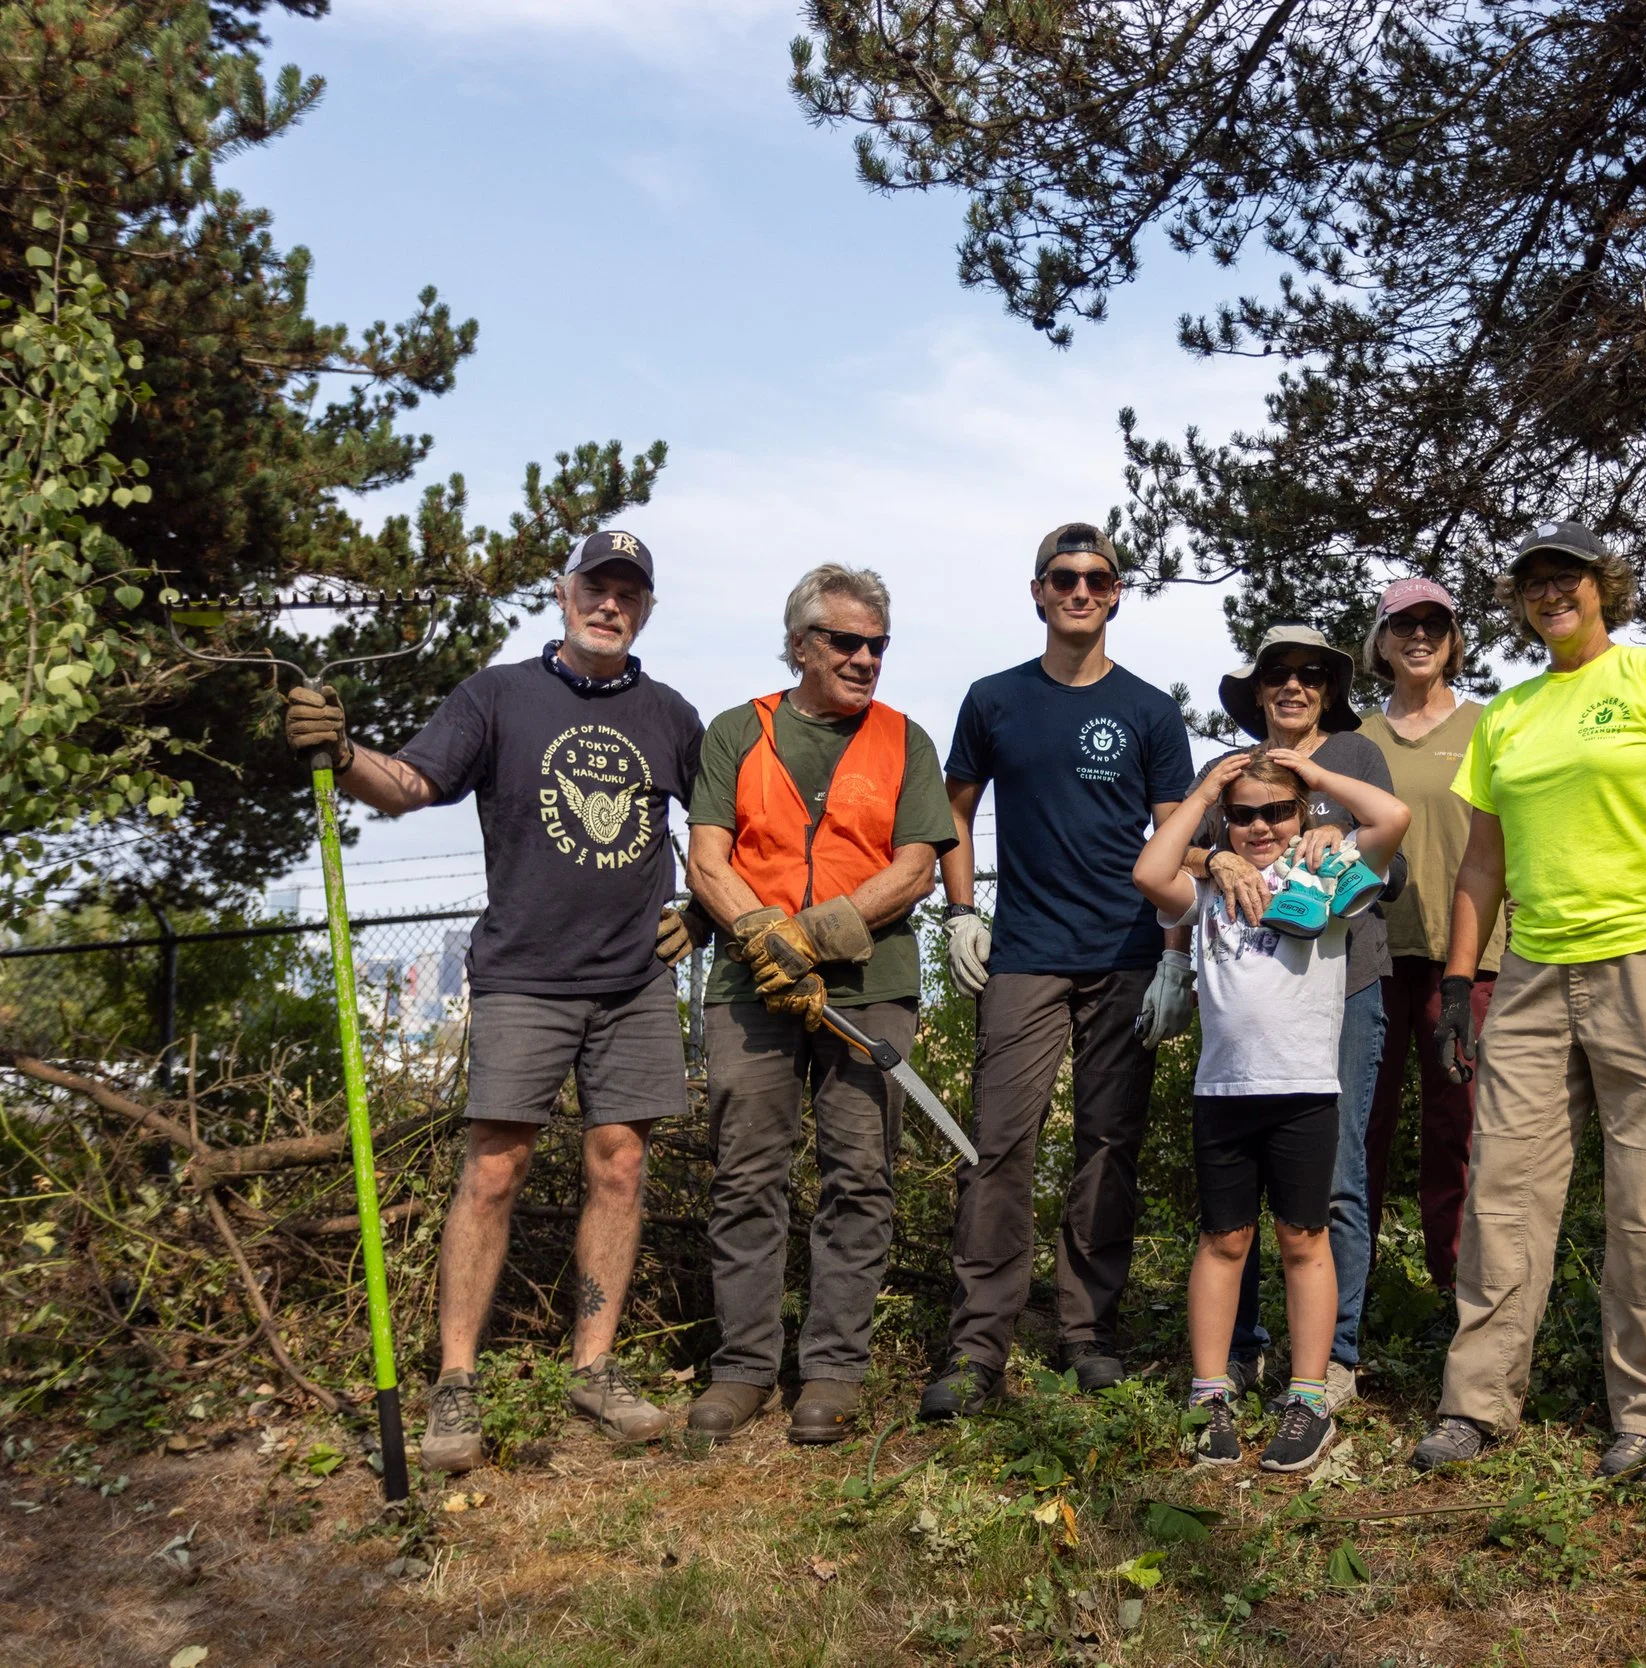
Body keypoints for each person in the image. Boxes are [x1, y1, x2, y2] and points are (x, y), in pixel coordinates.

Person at [278, 529, 702, 1473]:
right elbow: (411, 784)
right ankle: (457, 1384)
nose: (610, 604)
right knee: (496, 1170)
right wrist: (343, 751)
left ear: (646, 610)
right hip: (524, 976)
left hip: (635, 982)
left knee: (621, 1168)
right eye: (597, 586)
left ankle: (593, 1370)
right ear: (565, 593)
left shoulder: (673, 716)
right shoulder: (498, 696)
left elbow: (722, 830)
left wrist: (705, 919)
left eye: (629, 593)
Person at [1409, 519, 1646, 1481]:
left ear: (1602, 586)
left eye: (1566, 577)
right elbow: (1481, 862)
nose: (1551, 594)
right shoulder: (1508, 715)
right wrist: (1456, 980)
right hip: (1531, 973)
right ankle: (1476, 1402)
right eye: (1533, 582)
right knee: (1504, 1190)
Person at [920, 523, 1197, 1417]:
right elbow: (953, 813)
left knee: (1109, 1145)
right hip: (1026, 954)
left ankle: (1087, 1333)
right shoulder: (994, 700)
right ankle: (977, 1347)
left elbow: (1173, 839)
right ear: (1037, 592)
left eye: (1097, 579)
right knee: (998, 1144)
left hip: (1123, 953)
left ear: (1117, 595)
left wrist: (1172, 955)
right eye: (1063, 579)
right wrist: (963, 912)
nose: (1081, 592)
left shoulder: (1151, 711)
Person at [679, 566, 954, 1442]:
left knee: (860, 1176)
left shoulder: (906, 741)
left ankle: (833, 1368)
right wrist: (767, 939)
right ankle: (744, 1370)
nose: (866, 658)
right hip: (749, 992)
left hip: (870, 989)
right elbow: (707, 860)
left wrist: (814, 938)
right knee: (746, 1176)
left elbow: (913, 870)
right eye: (845, 641)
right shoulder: (737, 731)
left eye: (877, 644)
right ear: (801, 644)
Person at [1135, 748, 1410, 1472]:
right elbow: (1148, 872)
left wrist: (1318, 786)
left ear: (1300, 815)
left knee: (1302, 1240)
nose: (1260, 826)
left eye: (1277, 812)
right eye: (1245, 814)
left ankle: (1308, 1397)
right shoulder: (1212, 883)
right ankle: (1209, 1392)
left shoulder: (1331, 872)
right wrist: (1203, 799)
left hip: (1305, 1092)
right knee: (1224, 1241)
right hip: (1223, 1092)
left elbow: (1394, 815)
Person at [1194, 623, 1399, 1412]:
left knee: (1335, 1182)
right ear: (1255, 690)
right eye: (1276, 672)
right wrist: (1216, 857)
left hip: (1342, 989)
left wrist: (1335, 827)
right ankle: (1239, 1351)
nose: (1293, 685)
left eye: (1311, 673)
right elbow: (1172, 847)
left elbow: (1396, 859)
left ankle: (1333, 1357)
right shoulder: (1230, 772)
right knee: (1236, 1206)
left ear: (1330, 688)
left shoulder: (1353, 757)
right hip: (1247, 1007)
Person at [1356, 578, 1505, 1297]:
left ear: (1453, 641)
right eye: (1402, 623)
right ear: (1379, 641)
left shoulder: (1490, 724)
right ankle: (1348, 1286)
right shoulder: (1353, 738)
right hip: (1369, 955)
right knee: (1362, 1124)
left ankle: (1458, 1289)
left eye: (1434, 624)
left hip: (1468, 958)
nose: (1419, 635)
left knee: (1462, 1127)